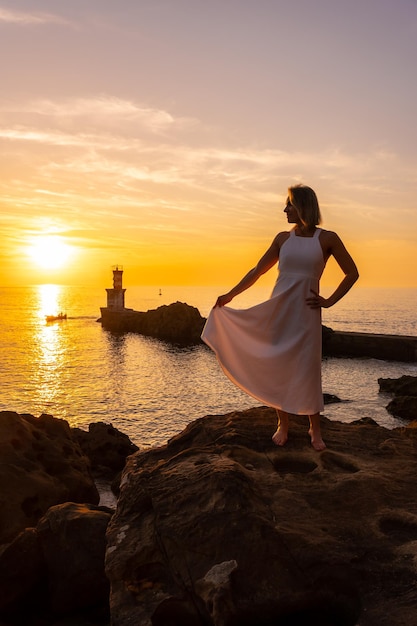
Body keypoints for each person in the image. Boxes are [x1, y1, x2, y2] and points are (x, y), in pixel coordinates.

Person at [201, 184, 359, 451]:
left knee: (308, 368)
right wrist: (231, 295)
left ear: (302, 207)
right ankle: (282, 423)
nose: (284, 209)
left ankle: (314, 428)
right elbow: (257, 271)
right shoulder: (282, 239)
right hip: (279, 309)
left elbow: (352, 273)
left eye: (289, 204)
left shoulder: (328, 238)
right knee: (278, 365)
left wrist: (329, 301)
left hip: (306, 313)